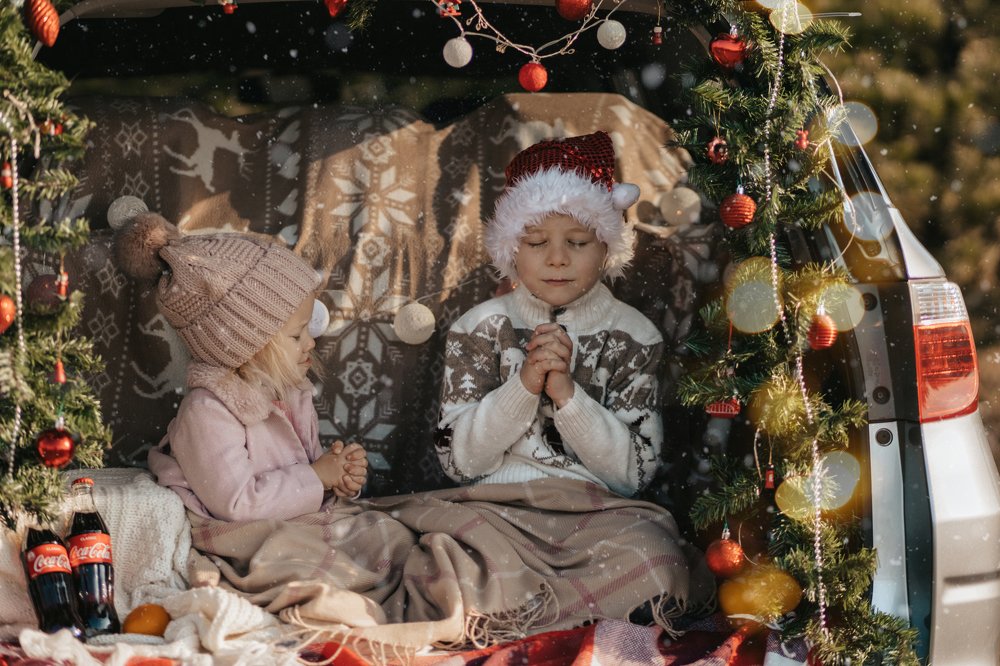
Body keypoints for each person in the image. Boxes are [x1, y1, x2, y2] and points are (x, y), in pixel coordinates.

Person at [436, 130, 663, 499]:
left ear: (606, 247)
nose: (557, 258)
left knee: (654, 538)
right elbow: (458, 463)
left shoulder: (635, 337)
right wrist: (523, 387)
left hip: (597, 512)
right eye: (537, 242)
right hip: (493, 506)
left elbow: (634, 476)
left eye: (577, 242)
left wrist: (569, 397)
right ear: (512, 249)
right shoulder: (479, 329)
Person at [113, 213, 368, 521]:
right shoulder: (207, 413)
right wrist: (316, 477)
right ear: (247, 347)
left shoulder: (288, 392)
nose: (311, 343)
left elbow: (303, 479)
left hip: (288, 523)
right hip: (236, 532)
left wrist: (337, 477)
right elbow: (238, 504)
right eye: (296, 335)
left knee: (389, 534)